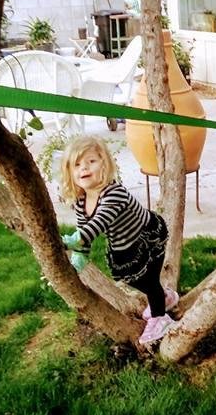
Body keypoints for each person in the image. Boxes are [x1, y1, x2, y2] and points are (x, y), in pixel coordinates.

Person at [58, 135, 179, 345]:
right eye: (76, 164)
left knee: (149, 280)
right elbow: (84, 229)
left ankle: (161, 317)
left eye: (91, 161)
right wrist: (80, 255)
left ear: (104, 164)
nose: (84, 168)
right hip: (124, 243)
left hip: (147, 237)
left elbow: (99, 223)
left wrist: (74, 240)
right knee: (129, 277)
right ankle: (165, 297)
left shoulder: (115, 193)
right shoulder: (81, 200)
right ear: (69, 172)